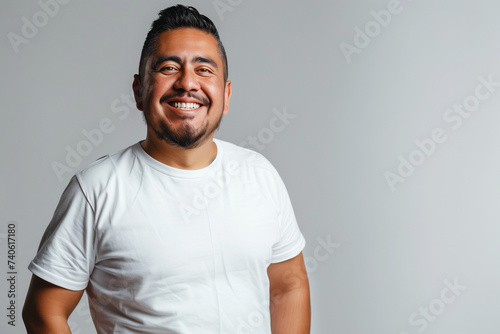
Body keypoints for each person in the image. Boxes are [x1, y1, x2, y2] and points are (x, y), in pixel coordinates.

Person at [22, 5, 310, 334]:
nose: (187, 83)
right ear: (139, 91)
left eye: (204, 70)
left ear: (226, 95)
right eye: (169, 68)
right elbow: (44, 312)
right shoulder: (97, 189)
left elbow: (288, 285)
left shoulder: (260, 175)